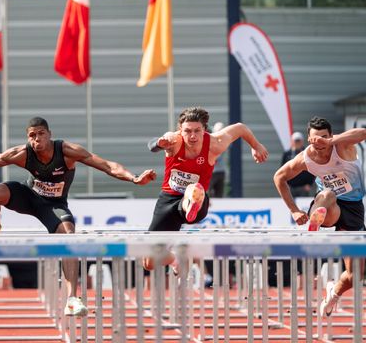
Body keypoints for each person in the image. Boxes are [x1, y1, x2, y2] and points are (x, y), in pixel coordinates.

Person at [0, 117, 156, 317]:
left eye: (40, 134)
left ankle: (72, 299)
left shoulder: (66, 151)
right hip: (29, 197)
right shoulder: (21, 153)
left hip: (53, 206)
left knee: (69, 238)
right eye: (32, 136)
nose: (36, 140)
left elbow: (106, 165)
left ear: (49, 135)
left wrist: (133, 178)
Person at [144, 107, 269, 271]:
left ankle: (191, 202)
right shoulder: (174, 140)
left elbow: (240, 128)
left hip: (198, 200)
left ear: (204, 130)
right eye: (187, 131)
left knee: (193, 189)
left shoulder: (215, 144)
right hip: (168, 200)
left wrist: (256, 145)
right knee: (149, 262)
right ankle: (176, 260)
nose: (193, 136)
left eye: (197, 131)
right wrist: (160, 143)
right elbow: (152, 145)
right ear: (180, 131)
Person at [273, 117, 366, 318]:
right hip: (328, 207)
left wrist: (331, 142)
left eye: (324, 138)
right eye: (316, 139)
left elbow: (363, 134)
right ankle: (315, 222)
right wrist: (294, 210)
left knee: (355, 275)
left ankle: (333, 294)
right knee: (328, 194)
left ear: (330, 136)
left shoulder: (341, 146)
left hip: (352, 208)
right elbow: (279, 177)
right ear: (308, 139)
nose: (320, 143)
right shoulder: (305, 158)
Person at [280, 131, 315, 198]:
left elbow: (312, 169)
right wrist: (285, 184)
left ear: (302, 141)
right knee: (290, 205)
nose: (297, 143)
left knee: (303, 206)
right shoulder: (287, 154)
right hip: (290, 187)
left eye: (299, 141)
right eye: (296, 141)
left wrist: (309, 184)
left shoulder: (308, 153)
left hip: (303, 187)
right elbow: (282, 169)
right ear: (292, 141)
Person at [208, 122, 226, 198]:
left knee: (218, 194)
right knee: (208, 191)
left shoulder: (222, 141)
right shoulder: (212, 140)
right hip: (214, 172)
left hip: (218, 171)